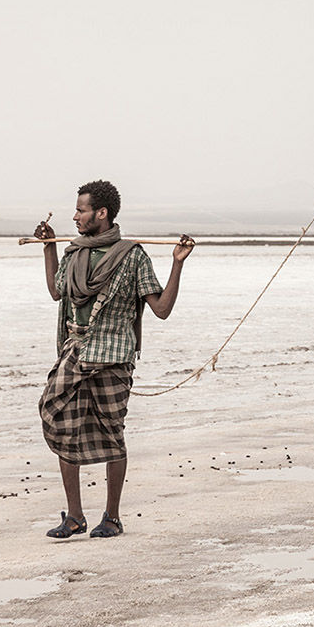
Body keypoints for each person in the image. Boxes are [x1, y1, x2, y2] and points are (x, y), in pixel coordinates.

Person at [33, 180, 193, 539]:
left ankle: (112, 517)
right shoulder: (73, 253)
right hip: (75, 351)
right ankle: (74, 517)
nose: (74, 216)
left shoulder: (133, 256)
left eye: (81, 210)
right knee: (58, 420)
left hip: (114, 357)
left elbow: (162, 310)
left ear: (101, 214)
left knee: (112, 432)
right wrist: (48, 248)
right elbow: (58, 292)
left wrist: (177, 265)